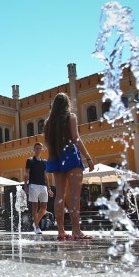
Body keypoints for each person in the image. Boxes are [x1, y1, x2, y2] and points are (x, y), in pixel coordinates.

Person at [43, 92, 94, 241]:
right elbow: (76, 138)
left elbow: (47, 143)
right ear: (67, 104)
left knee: (59, 195)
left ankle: (61, 231)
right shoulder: (71, 117)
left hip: (55, 156)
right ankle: (76, 231)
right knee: (74, 195)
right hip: (70, 156)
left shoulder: (48, 123)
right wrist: (88, 157)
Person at [25, 141, 54, 235]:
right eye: (37, 148)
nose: (38, 150)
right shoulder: (29, 160)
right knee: (35, 206)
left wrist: (49, 188)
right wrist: (26, 186)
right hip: (33, 185)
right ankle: (37, 227)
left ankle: (35, 223)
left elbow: (46, 176)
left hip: (43, 186)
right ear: (34, 149)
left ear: (42, 149)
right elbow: (26, 174)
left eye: (40, 148)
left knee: (44, 207)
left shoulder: (44, 162)